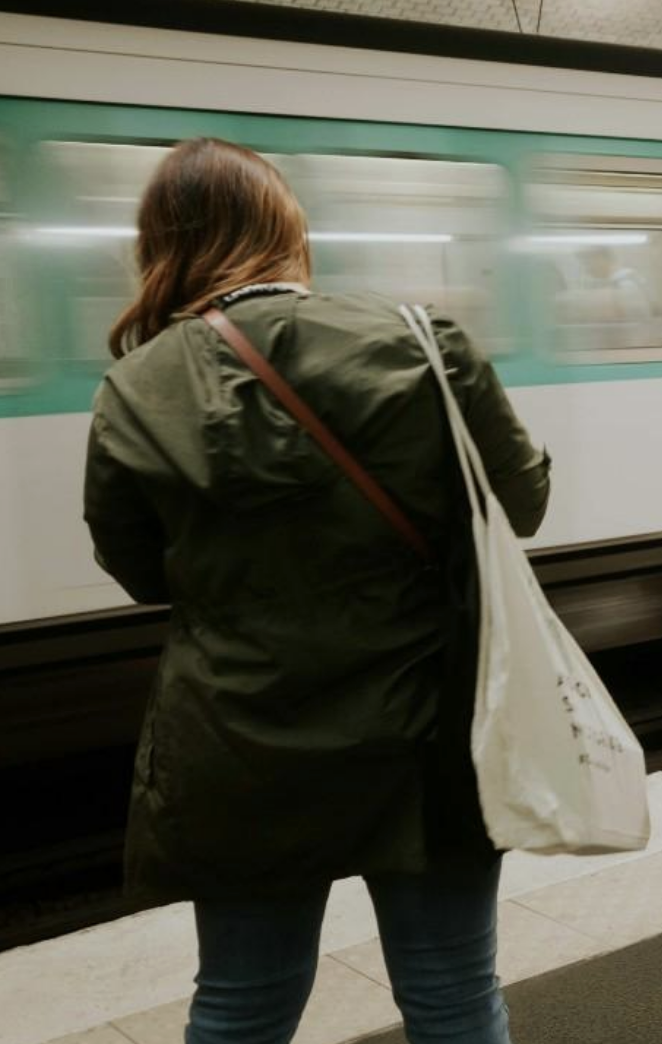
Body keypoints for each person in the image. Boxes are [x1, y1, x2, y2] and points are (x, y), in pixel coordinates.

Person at [83, 138, 549, 1044]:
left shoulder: (134, 386)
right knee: (453, 992)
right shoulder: (422, 340)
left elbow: (141, 573)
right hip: (422, 725)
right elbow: (521, 503)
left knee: (241, 1005)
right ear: (288, 231)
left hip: (238, 732)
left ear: (159, 246)